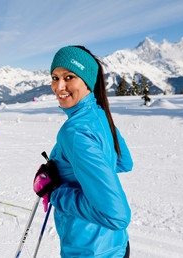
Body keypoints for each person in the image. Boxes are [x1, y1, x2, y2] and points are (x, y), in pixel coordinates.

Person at [33, 46, 133, 257]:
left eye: (69, 77)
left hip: (89, 250)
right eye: (54, 77)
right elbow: (123, 161)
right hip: (116, 246)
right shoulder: (99, 115)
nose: (59, 86)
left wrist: (54, 192)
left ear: (87, 81)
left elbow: (116, 215)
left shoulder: (75, 131)